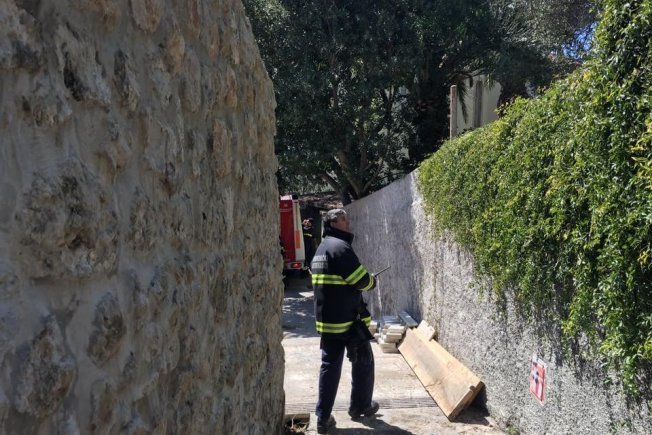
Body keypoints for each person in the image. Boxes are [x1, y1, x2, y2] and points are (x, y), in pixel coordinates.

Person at [310, 208, 379, 434]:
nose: (348, 222)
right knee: (364, 361)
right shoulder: (340, 248)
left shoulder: (321, 249)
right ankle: (361, 406)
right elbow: (361, 280)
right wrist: (372, 281)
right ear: (333, 223)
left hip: (327, 322)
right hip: (346, 322)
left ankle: (322, 418)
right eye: (343, 219)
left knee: (329, 367)